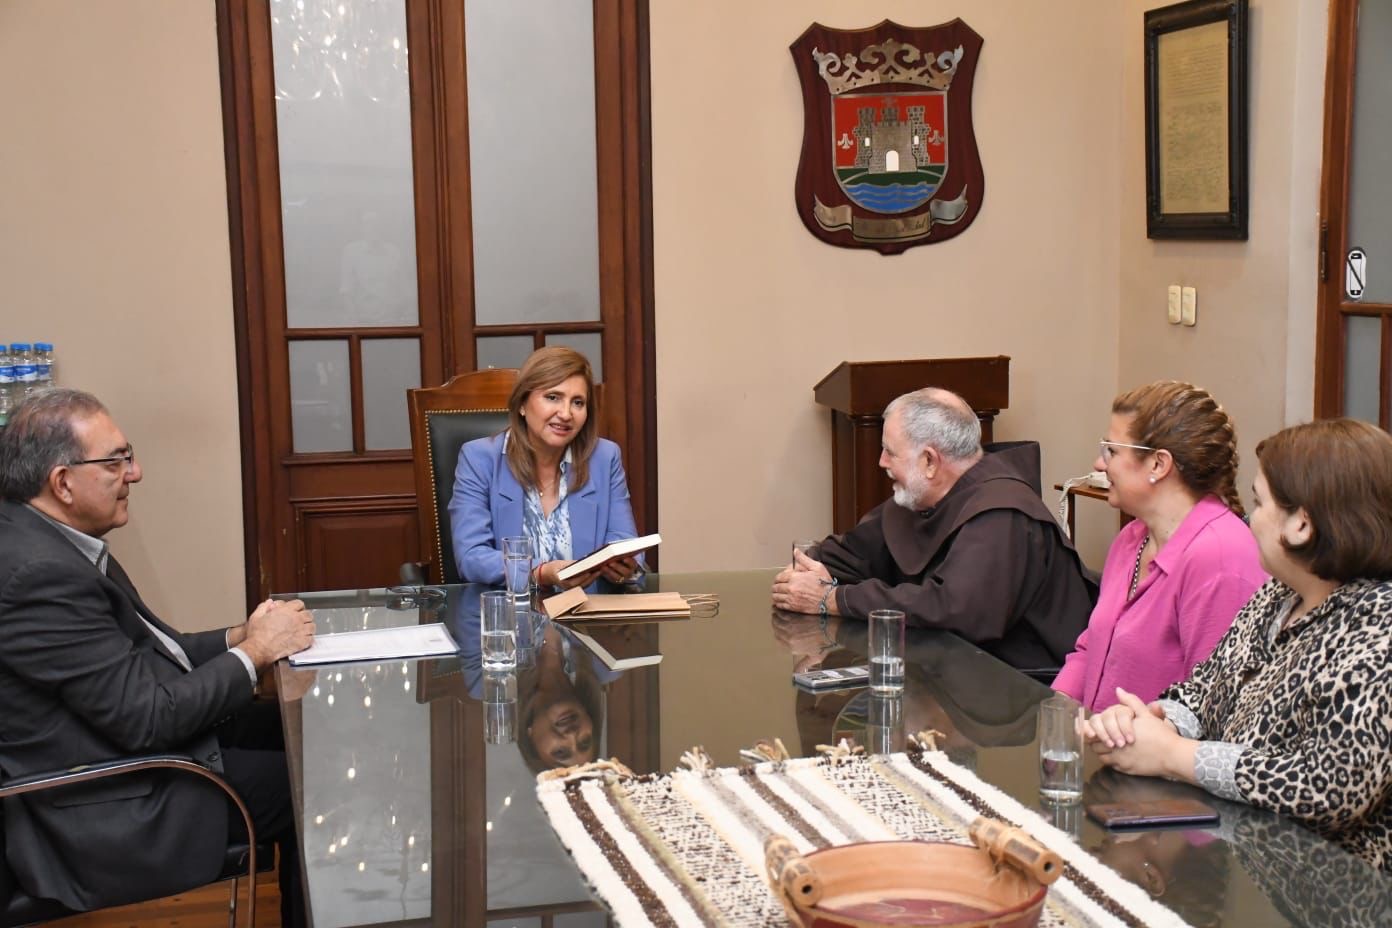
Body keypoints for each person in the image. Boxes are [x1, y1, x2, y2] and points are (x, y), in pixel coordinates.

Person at [0, 390, 316, 923]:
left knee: (304, 728)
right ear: (62, 483)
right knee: (315, 784)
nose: (136, 472)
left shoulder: (51, 540)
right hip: (102, 799)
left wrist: (239, 636)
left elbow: (150, 657)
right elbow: (148, 717)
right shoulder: (40, 574)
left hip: (113, 746)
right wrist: (260, 651)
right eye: (116, 460)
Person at [1081, 419, 1392, 873]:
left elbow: (1328, 789)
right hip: (1246, 857)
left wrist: (1172, 755)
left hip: (1335, 892)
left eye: (1259, 502)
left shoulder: (1378, 631)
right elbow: (1204, 690)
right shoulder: (1277, 595)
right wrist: (1145, 721)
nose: (1248, 517)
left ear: (1301, 524)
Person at [771, 386, 1096, 674]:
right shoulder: (926, 494)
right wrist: (804, 573)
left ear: (929, 461)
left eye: (890, 451)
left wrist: (834, 599)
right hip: (952, 675)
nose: (881, 462)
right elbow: (853, 551)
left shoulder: (1001, 514)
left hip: (1019, 695)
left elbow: (953, 609)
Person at [1052, 382, 1266, 711]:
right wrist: (1054, 717)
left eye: (1111, 450)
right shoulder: (1131, 538)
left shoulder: (1221, 558)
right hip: (1103, 751)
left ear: (1158, 464)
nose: (1099, 463)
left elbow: (1215, 708)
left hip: (1156, 761)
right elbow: (1092, 648)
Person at [449, 347, 640, 589]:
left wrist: (625, 568)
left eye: (578, 402)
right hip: (511, 615)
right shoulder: (479, 459)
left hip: (587, 614)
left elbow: (625, 541)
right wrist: (540, 572)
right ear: (522, 404)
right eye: (553, 397)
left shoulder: (605, 457)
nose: (566, 413)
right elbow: (471, 557)